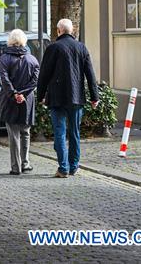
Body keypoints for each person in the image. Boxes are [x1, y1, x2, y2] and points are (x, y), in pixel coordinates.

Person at [37, 18, 99, 178]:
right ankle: (73, 166)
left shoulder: (53, 48)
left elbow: (44, 74)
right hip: (76, 97)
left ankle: (63, 168)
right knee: (74, 133)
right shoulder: (81, 47)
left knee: (59, 132)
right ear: (71, 31)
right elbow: (90, 74)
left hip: (57, 98)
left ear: (59, 31)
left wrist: (40, 95)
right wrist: (94, 97)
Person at [0, 29, 40, 175]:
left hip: (10, 101)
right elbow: (34, 81)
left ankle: (16, 167)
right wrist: (23, 94)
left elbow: (4, 79)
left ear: (10, 41)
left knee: (13, 134)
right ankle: (26, 163)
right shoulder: (32, 60)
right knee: (25, 132)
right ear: (24, 41)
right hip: (26, 101)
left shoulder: (4, 59)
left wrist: (14, 93)